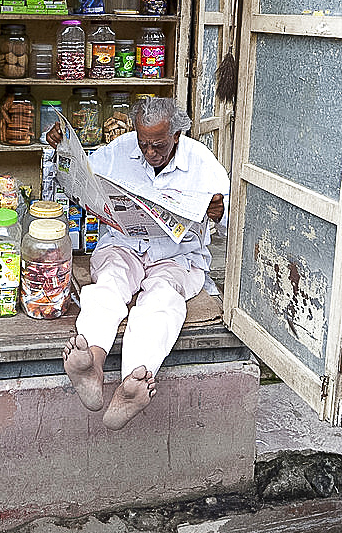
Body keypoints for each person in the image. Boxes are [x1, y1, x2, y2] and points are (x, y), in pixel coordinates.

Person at [46, 95, 229, 430]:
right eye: (144, 144)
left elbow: (232, 214)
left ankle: (132, 383)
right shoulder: (119, 149)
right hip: (124, 245)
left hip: (176, 257)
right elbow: (79, 177)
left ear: (177, 135)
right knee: (109, 284)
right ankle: (92, 363)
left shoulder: (201, 162)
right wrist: (63, 150)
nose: (149, 153)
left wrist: (219, 213)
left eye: (158, 145)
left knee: (162, 300)